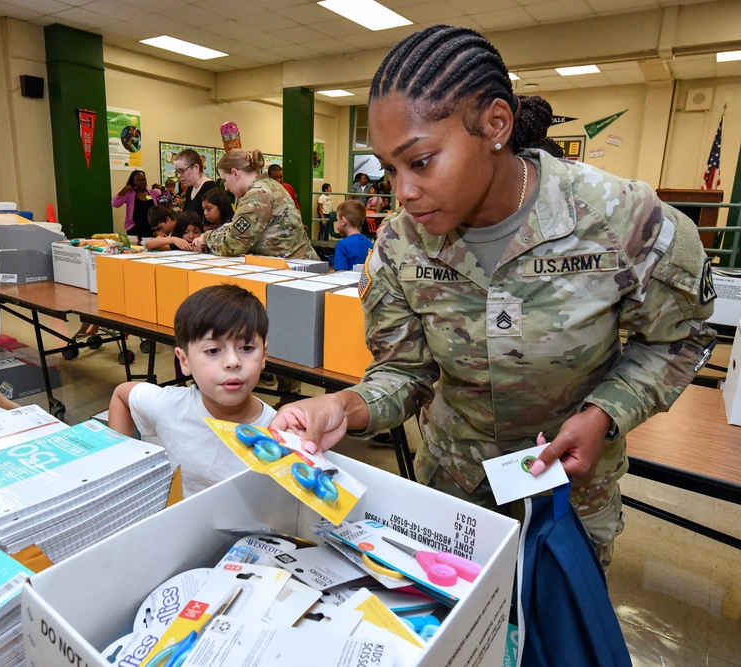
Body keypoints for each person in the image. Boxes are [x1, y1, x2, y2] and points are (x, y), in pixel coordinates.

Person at [269, 24, 716, 571]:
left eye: (421, 161)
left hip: (570, 490)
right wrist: (342, 406)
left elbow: (678, 339)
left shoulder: (621, 219)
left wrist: (605, 414)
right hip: (456, 488)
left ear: (496, 124)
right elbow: (405, 375)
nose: (402, 192)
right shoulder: (399, 244)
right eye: (389, 168)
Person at [108, 285, 276, 496]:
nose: (233, 362)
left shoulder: (280, 432)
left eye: (247, 348)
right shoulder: (168, 405)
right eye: (213, 350)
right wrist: (121, 470)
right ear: (184, 360)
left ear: (264, 355)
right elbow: (122, 395)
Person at [194, 149, 319, 260]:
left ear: (235, 173)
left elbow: (234, 244)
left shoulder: (256, 196)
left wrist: (206, 238)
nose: (226, 187)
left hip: (295, 268)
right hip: (300, 262)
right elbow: (235, 229)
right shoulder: (270, 184)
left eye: (225, 180)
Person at [111, 170, 159, 239]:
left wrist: (161, 188)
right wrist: (124, 189)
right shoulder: (129, 194)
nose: (142, 182)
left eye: (143, 179)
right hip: (135, 229)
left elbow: (166, 203)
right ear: (133, 182)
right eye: (139, 180)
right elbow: (115, 203)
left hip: (152, 229)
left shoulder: (153, 193)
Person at [175, 149, 217, 217]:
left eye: (182, 170)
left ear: (196, 168)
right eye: (177, 171)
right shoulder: (190, 189)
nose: (179, 175)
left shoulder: (210, 189)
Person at [333, 200, 372, 271]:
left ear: (343, 221)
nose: (337, 222)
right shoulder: (369, 243)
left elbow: (340, 273)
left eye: (337, 219)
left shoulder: (342, 245)